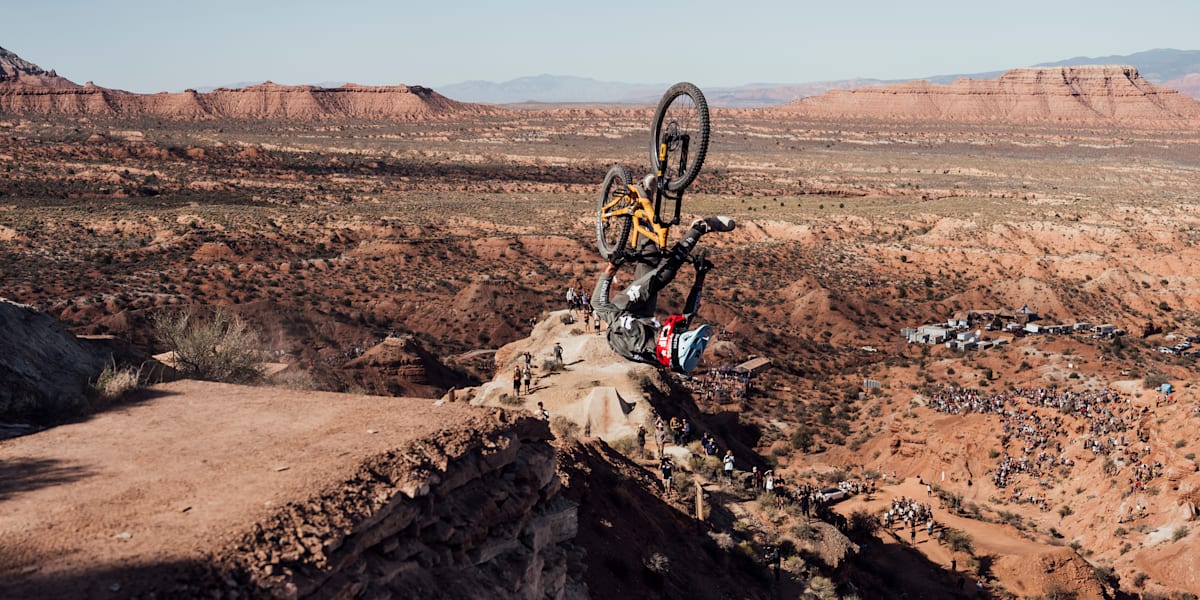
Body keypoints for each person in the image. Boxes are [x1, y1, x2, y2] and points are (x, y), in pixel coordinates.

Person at [591, 215, 736, 374]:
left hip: (625, 311)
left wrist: (612, 267)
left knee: (663, 275)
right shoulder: (670, 349)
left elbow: (598, 304)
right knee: (651, 255)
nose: (676, 333)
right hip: (644, 319)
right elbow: (689, 312)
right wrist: (700, 277)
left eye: (675, 336)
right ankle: (644, 216)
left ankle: (699, 227)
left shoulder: (633, 335)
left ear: (667, 344)